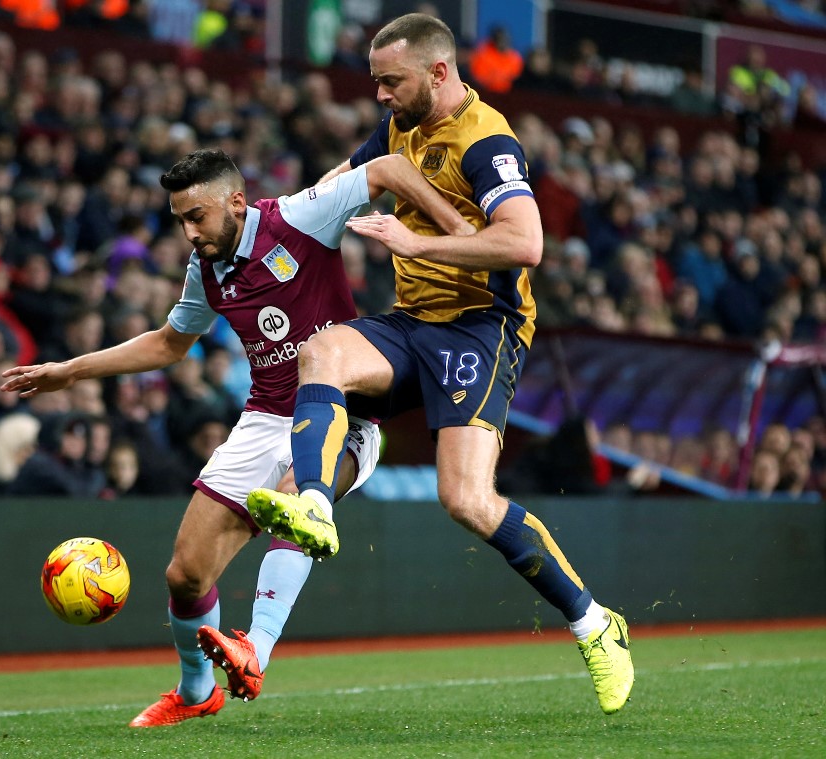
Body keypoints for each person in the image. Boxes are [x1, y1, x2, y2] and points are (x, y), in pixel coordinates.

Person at [0, 147, 471, 728]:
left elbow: (392, 168)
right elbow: (169, 344)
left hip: (344, 413)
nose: (188, 231)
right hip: (264, 417)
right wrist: (66, 371)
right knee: (185, 575)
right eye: (179, 219)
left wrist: (455, 236)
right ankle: (196, 691)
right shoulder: (206, 268)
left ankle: (258, 647)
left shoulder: (299, 217)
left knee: (302, 503)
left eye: (197, 216)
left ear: (237, 202)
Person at [245, 13, 635, 716]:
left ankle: (594, 622)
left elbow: (525, 244)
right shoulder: (400, 127)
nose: (379, 96)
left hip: (482, 329)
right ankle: (313, 503)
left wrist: (417, 246)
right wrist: (266, 224)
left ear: (438, 73)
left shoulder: (486, 140)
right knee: (322, 352)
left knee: (466, 500)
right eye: (374, 83)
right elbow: (341, 184)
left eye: (390, 82)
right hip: (411, 323)